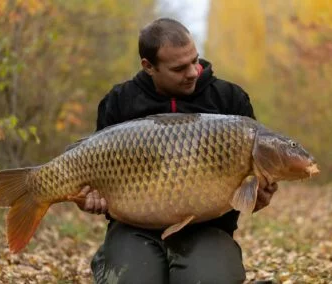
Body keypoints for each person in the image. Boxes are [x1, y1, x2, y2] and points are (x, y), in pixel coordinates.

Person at [69, 18, 278, 284]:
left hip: (207, 228)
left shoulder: (230, 99)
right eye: (179, 68)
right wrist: (90, 201)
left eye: (195, 60)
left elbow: (245, 195)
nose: (193, 72)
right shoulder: (119, 101)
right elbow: (97, 188)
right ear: (149, 66)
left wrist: (258, 198)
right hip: (134, 229)